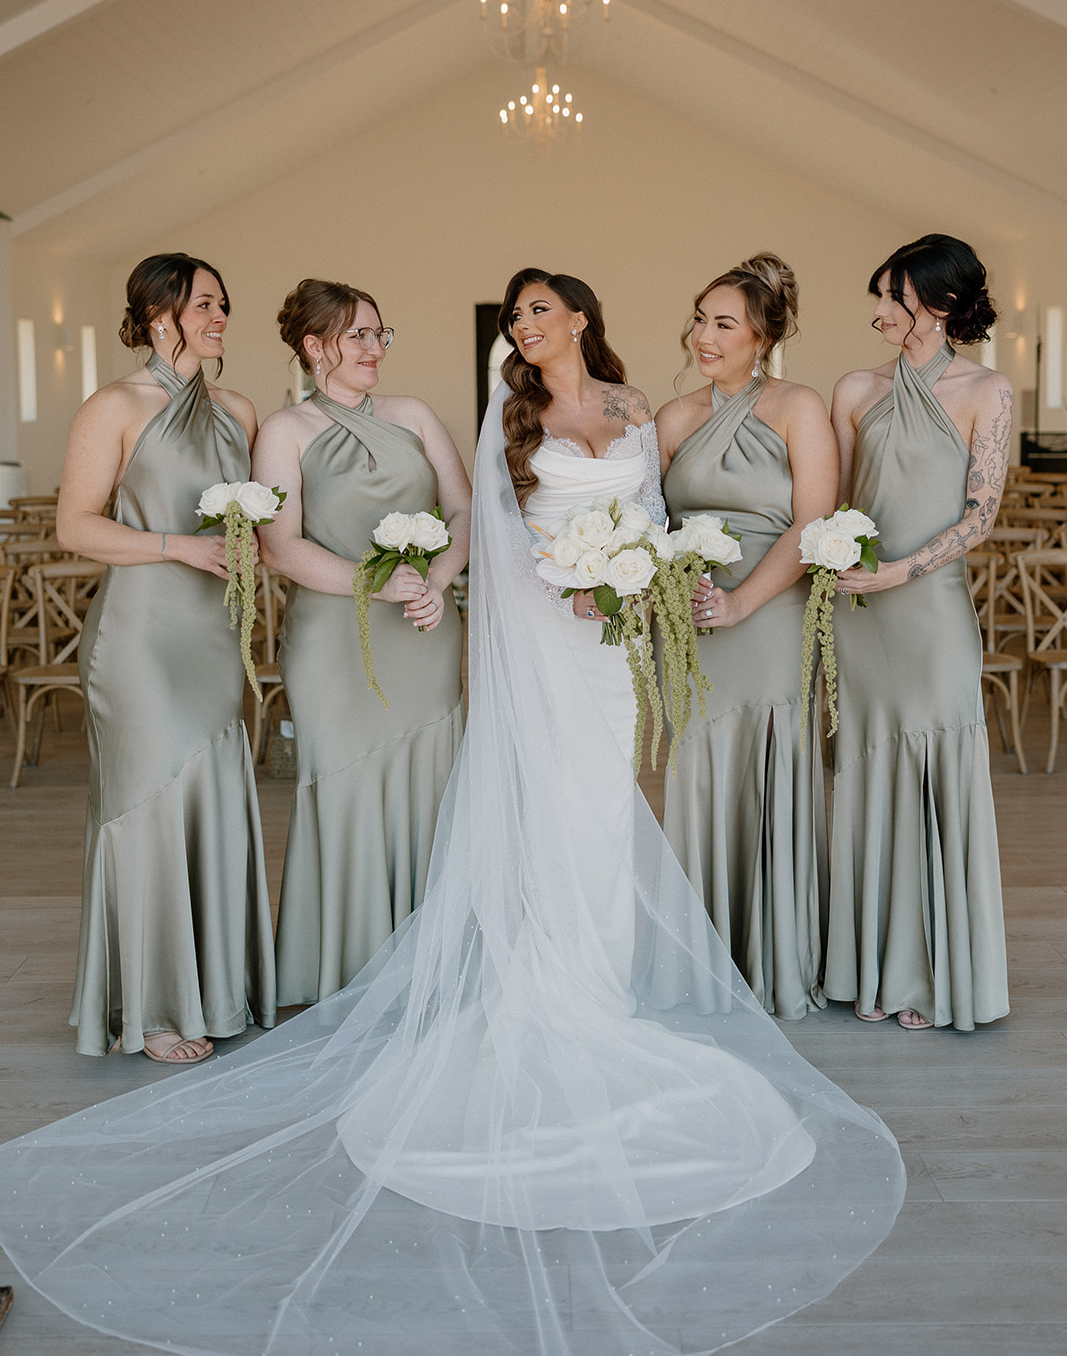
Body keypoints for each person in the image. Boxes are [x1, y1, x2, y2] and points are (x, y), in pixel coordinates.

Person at [0, 270, 904, 1356]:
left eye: (539, 309)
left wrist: (631, 582)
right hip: (529, 633)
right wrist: (530, 586)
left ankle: (599, 978)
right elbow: (508, 535)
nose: (522, 327)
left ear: (579, 316)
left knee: (603, 810)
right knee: (544, 802)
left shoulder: (636, 411)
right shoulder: (495, 416)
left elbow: (654, 516)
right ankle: (526, 980)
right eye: (511, 313)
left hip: (608, 641)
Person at [56, 252, 275, 1062]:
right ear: (160, 317)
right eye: (205, 305)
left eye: (223, 303)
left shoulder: (240, 409)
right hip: (142, 636)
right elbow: (76, 526)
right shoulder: (115, 404)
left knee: (208, 796)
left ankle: (216, 987)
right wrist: (178, 545)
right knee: (148, 804)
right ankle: (149, 1008)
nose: (221, 318)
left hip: (216, 634)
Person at [253, 279, 470, 1001]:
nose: (374, 348)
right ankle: (341, 972)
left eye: (380, 334)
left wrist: (437, 580)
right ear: (314, 347)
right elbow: (279, 547)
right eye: (358, 336)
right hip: (332, 640)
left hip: (423, 630)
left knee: (429, 790)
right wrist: (373, 585)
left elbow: (464, 507)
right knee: (344, 791)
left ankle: (431, 969)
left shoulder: (411, 414)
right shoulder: (285, 431)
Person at [824, 234, 1012, 1031]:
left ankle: (931, 974)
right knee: (866, 778)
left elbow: (982, 513)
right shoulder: (853, 389)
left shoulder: (986, 390)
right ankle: (871, 969)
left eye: (893, 298)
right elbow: (832, 500)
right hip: (856, 614)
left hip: (929, 610)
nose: (878, 312)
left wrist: (899, 572)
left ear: (938, 304)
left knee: (933, 771)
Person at [656, 254, 838, 1018]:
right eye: (699, 318)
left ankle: (775, 958)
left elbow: (812, 522)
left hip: (769, 615)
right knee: (698, 771)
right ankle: (700, 962)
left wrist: (739, 606)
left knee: (770, 766)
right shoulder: (671, 419)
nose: (703, 334)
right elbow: (650, 521)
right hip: (689, 619)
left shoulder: (797, 407)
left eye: (722, 323)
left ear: (760, 337)